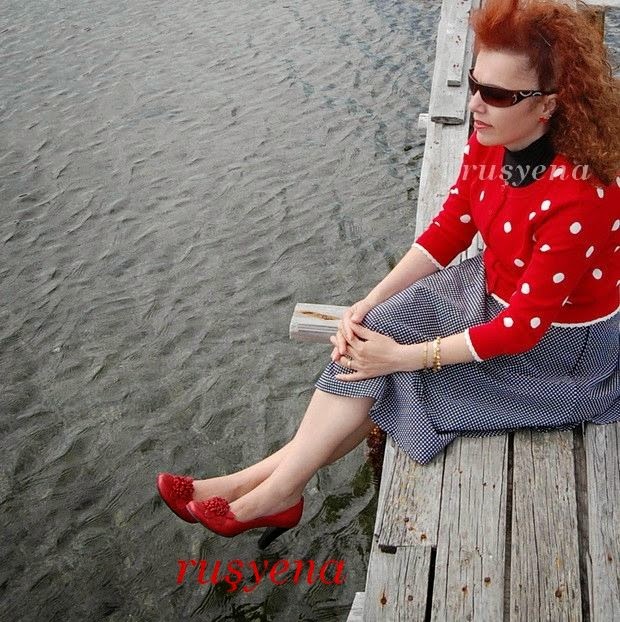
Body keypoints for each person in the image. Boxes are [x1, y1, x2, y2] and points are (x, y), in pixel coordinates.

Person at [156, 0, 619, 544]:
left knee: (396, 369)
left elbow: (521, 330)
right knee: (371, 334)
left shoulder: (580, 197)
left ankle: (268, 492)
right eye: (474, 84)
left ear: (548, 105)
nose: (475, 104)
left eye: (496, 95)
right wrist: (366, 304)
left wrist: (403, 356)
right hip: (489, 288)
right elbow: (448, 231)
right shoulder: (489, 141)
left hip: (559, 351)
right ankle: (266, 488)